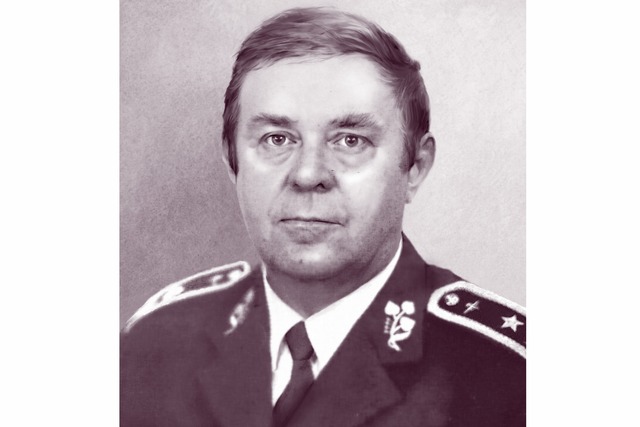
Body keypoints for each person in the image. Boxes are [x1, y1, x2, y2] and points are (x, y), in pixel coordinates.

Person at [120, 7, 526, 427]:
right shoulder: (154, 346)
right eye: (277, 139)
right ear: (231, 161)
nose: (308, 174)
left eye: (350, 140)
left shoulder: (511, 378)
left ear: (415, 167)